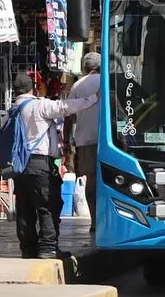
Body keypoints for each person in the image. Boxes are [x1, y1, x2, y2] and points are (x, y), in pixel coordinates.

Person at [12, 70, 99, 259]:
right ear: (33, 89)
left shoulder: (12, 110)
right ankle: (48, 248)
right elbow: (64, 107)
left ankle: (27, 249)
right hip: (40, 164)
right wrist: (92, 98)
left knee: (25, 208)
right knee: (48, 206)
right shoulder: (39, 106)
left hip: (19, 166)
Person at [65, 52, 101, 232]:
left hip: (85, 140)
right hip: (108, 141)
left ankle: (94, 221)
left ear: (85, 67)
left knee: (91, 182)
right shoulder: (107, 82)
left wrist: (66, 142)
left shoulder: (77, 85)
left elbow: (69, 114)